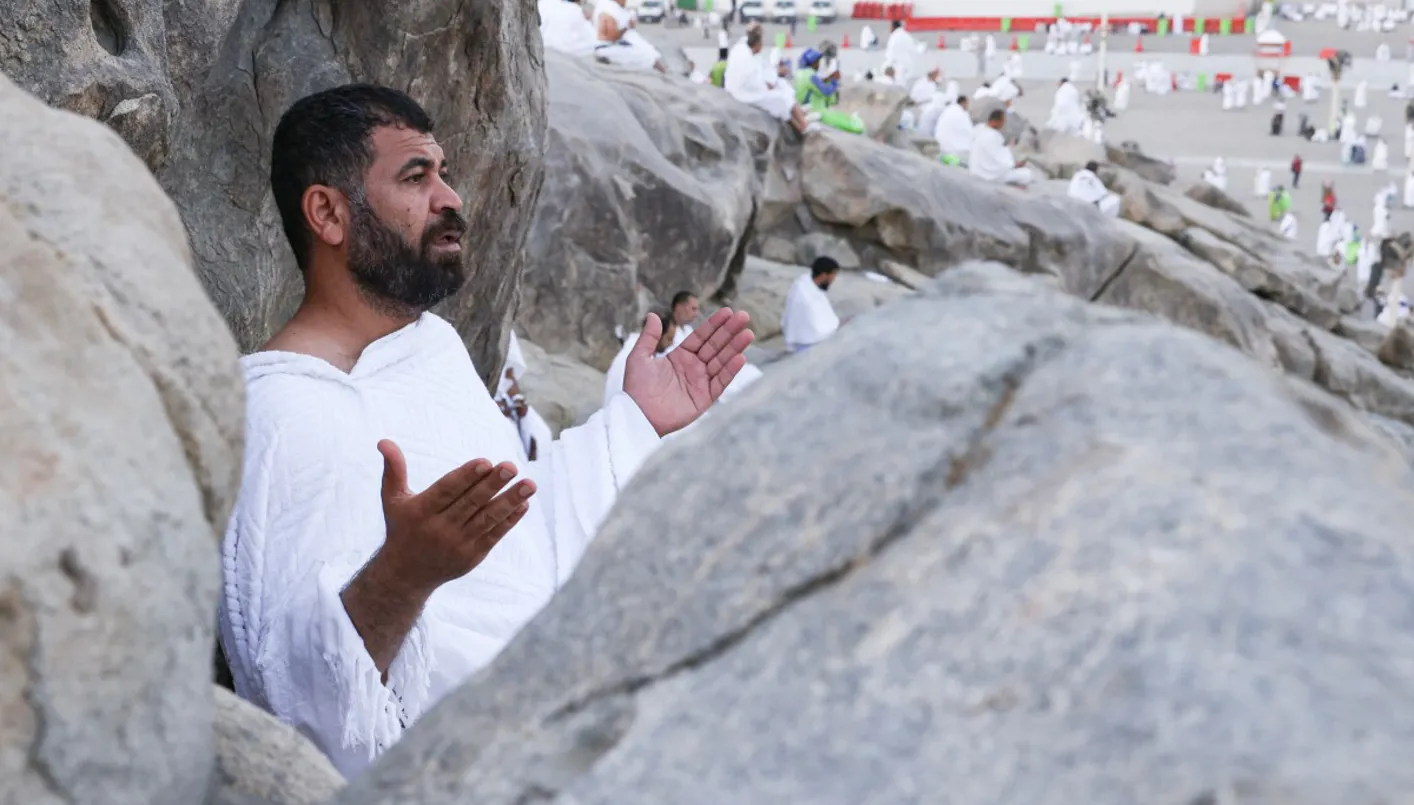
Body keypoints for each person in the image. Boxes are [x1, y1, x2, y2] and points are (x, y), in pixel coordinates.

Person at [219, 85, 754, 776]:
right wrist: (404, 576)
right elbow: (290, 699)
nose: (451, 198)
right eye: (416, 176)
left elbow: (522, 545)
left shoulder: (431, 346)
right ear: (328, 212)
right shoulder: (275, 412)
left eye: (443, 173)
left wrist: (631, 423)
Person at [726, 24, 809, 134]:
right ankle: (801, 127)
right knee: (780, 98)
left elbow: (760, 73)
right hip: (744, 94)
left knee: (782, 86)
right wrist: (767, 85)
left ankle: (801, 119)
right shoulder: (746, 59)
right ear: (757, 44)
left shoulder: (742, 48)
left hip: (743, 89)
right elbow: (752, 83)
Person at [604, 312, 677, 406]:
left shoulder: (640, 353)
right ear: (657, 335)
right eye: (669, 339)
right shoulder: (633, 358)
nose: (671, 344)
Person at [782, 256, 842, 353]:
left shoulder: (810, 285)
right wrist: (836, 326)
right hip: (806, 345)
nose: (834, 279)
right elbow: (816, 330)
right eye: (833, 274)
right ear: (823, 275)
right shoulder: (803, 292)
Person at [593, 0, 666, 72]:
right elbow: (611, 37)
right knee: (645, 54)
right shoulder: (608, 12)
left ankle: (661, 68)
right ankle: (661, 70)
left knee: (649, 51)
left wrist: (629, 25)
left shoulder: (612, 9)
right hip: (606, 48)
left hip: (612, 44)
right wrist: (628, 26)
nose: (625, 2)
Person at [969, 107, 1031, 187]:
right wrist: (1016, 165)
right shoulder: (994, 136)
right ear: (996, 121)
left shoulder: (980, 129)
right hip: (990, 176)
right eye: (1002, 121)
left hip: (975, 170)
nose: (1003, 124)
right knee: (1027, 174)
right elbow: (1003, 163)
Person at [934, 95, 972, 166]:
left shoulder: (949, 110)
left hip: (940, 147)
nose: (968, 106)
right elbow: (969, 132)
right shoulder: (961, 114)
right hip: (954, 152)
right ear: (963, 102)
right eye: (967, 103)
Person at [885, 19, 917, 85]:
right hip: (908, 66)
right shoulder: (907, 35)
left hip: (897, 66)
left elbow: (890, 53)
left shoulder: (894, 37)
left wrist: (888, 65)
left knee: (897, 85)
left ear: (893, 27)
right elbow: (914, 50)